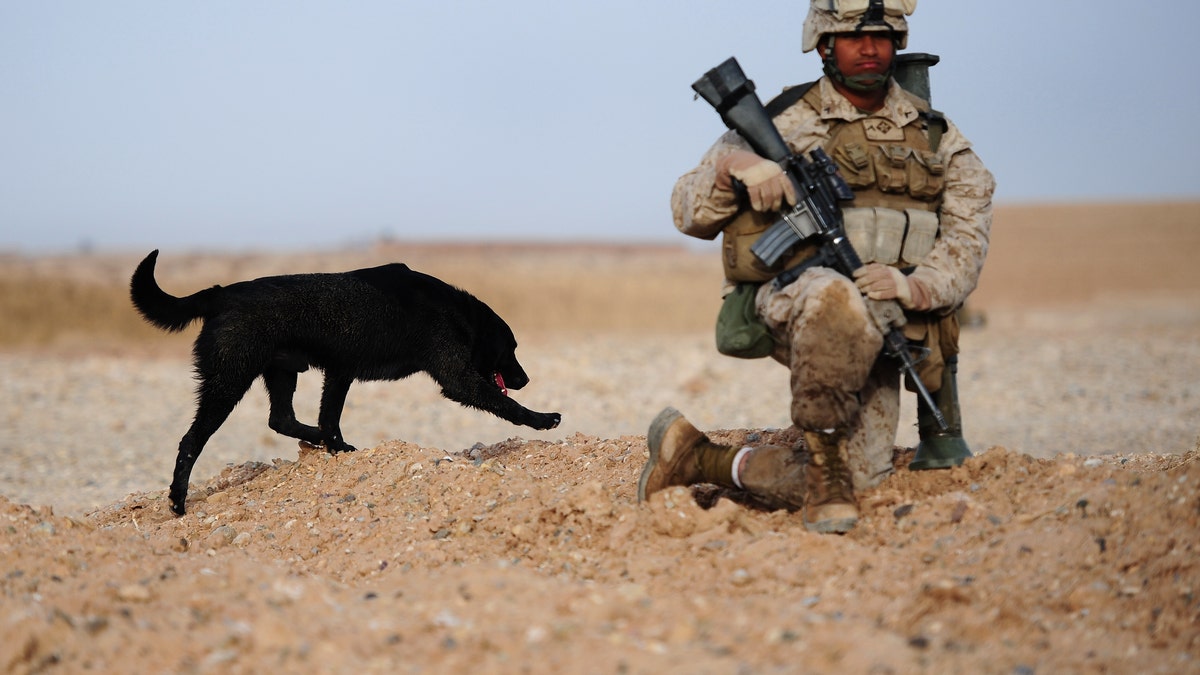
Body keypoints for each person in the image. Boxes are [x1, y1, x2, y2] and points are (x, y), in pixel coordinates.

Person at [639, 0, 995, 534]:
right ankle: (824, 465)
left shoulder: (937, 136)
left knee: (866, 480)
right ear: (824, 45)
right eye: (854, 36)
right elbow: (685, 210)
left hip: (888, 320)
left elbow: (968, 233)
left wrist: (914, 286)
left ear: (897, 42)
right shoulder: (786, 116)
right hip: (792, 302)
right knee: (835, 296)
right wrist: (734, 167)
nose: (869, 48)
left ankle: (698, 458)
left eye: (881, 35)